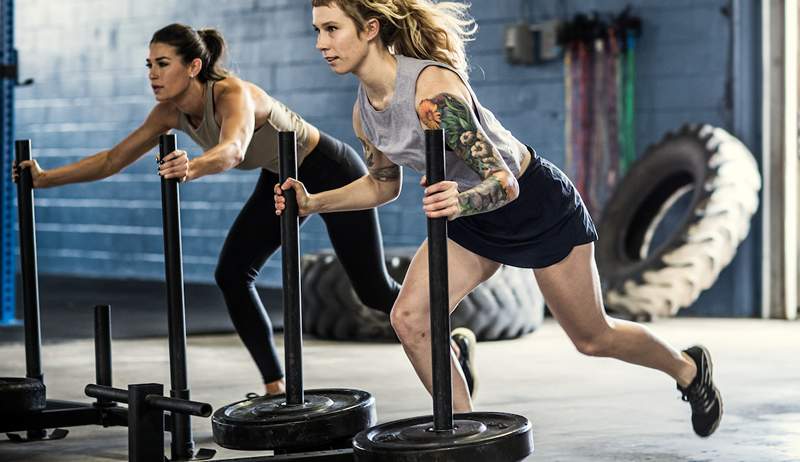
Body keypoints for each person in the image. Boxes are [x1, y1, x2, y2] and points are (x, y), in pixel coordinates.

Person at [274, 0, 722, 437]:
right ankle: (466, 434)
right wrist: (314, 202)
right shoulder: (364, 113)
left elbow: (505, 183)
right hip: (472, 218)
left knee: (592, 337)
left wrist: (459, 204)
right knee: (409, 319)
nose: (321, 43)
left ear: (370, 29)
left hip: (535, 206)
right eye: (317, 31)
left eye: (331, 29)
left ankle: (688, 368)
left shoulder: (432, 91)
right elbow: (382, 185)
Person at [12, 23, 411, 397]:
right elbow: (113, 159)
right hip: (280, 175)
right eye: (149, 65)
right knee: (232, 274)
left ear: (194, 66)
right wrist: (46, 178)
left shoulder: (231, 93)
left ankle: (444, 335)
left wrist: (194, 165)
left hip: (331, 169)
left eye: (163, 64)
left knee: (373, 291)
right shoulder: (168, 112)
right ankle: (277, 389)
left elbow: (233, 149)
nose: (152, 74)